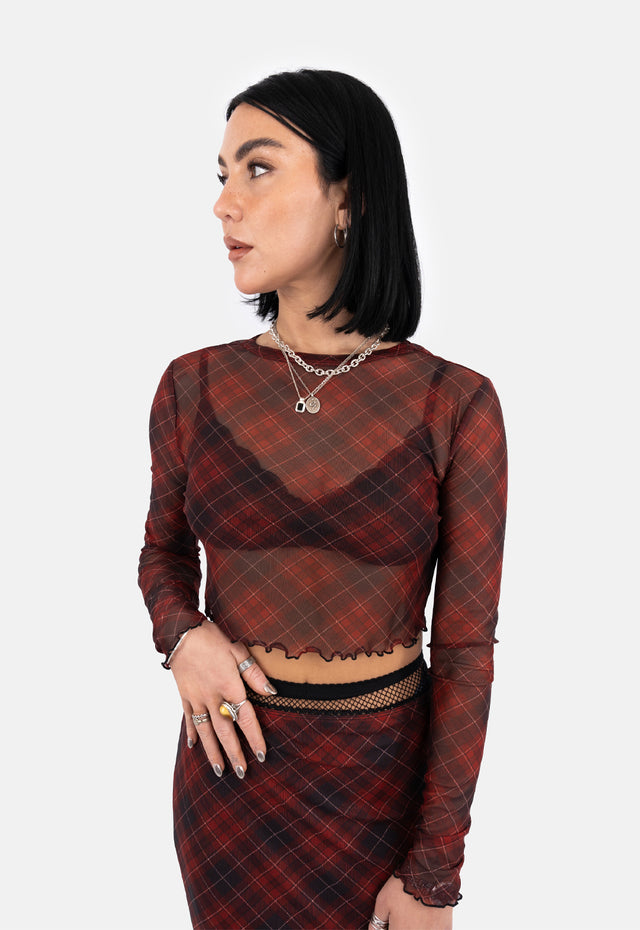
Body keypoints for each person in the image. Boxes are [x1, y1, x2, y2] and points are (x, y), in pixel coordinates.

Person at [138, 68, 507, 930]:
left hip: (380, 790)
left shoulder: (454, 404)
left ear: (349, 198)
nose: (224, 204)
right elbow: (162, 553)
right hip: (228, 781)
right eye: (221, 175)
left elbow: (464, 654)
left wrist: (435, 874)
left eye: (258, 169)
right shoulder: (193, 386)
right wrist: (183, 635)